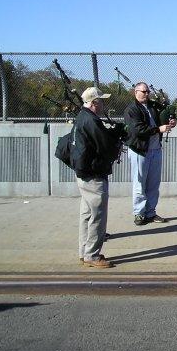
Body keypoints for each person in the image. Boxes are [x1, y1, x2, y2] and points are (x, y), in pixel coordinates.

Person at [71, 87, 122, 268]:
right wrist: (117, 136)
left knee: (87, 214)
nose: (103, 105)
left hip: (83, 172)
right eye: (101, 101)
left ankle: (84, 252)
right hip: (93, 174)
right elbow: (105, 146)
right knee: (97, 215)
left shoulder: (82, 118)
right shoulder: (91, 121)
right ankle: (92, 255)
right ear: (94, 103)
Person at [123, 82, 175, 226]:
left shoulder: (152, 106)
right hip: (140, 150)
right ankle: (139, 213)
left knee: (153, 184)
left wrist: (171, 120)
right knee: (140, 183)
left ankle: (150, 212)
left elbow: (165, 114)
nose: (146, 94)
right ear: (136, 92)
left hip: (155, 149)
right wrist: (158, 129)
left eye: (147, 92)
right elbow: (137, 130)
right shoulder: (131, 110)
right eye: (143, 92)